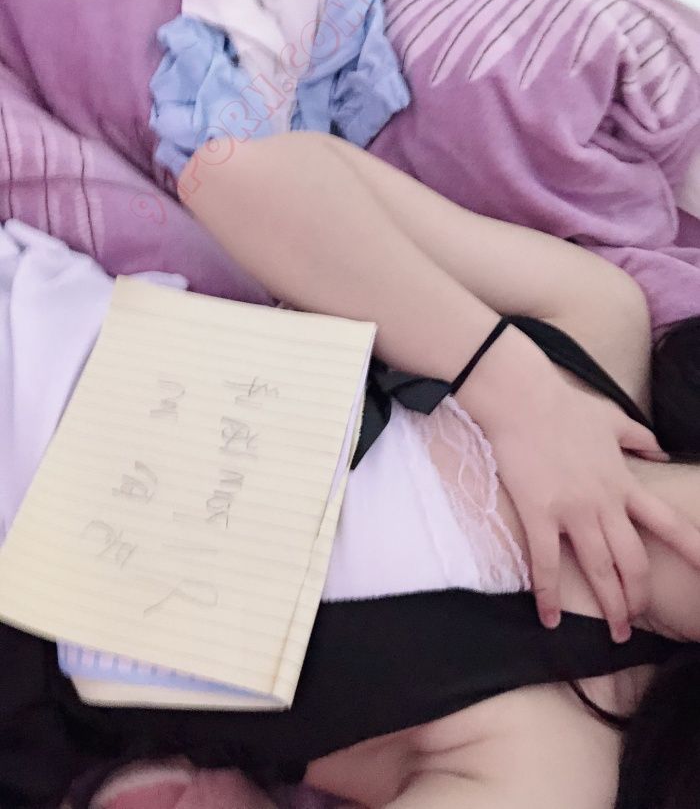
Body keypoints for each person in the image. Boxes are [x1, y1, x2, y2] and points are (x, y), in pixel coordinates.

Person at [166, 129, 700, 809]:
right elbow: (228, 174)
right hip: (51, 323)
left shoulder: (552, 765)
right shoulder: (594, 321)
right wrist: (513, 388)